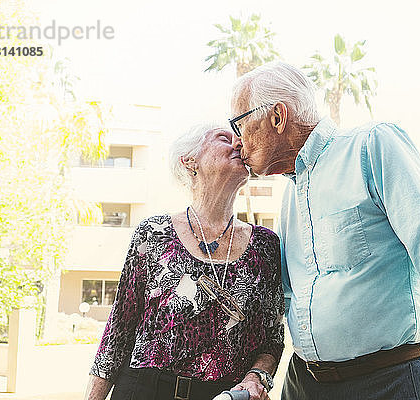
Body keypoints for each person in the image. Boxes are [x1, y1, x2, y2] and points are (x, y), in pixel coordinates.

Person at [229, 61, 420, 400]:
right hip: (303, 385)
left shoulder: (372, 146)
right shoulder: (290, 197)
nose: (237, 142)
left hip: (388, 383)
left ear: (277, 117)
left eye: (239, 125)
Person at [84, 124, 285, 400]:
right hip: (144, 389)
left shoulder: (266, 246)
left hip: (221, 395)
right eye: (225, 138)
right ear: (190, 162)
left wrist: (254, 378)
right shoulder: (153, 233)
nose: (239, 143)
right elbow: (118, 330)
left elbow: (272, 339)